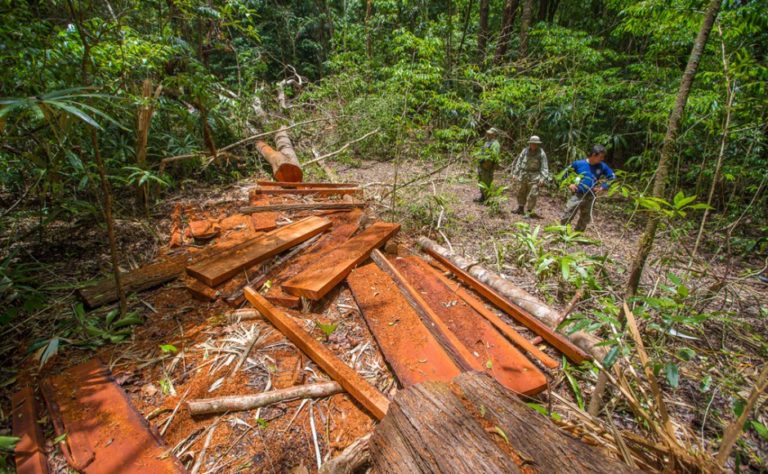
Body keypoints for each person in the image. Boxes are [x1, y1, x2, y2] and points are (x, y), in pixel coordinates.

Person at [560, 144, 615, 232]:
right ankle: (563, 231)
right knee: (568, 212)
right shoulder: (578, 164)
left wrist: (603, 187)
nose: (602, 159)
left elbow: (612, 177)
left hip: (591, 195)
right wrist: (569, 184)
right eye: (601, 157)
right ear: (594, 155)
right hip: (577, 193)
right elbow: (564, 174)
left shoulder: (602, 166)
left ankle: (578, 233)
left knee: (585, 217)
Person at [510, 135, 548, 216]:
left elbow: (544, 166)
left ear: (538, 144)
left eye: (535, 143)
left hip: (535, 176)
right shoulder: (525, 151)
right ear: (530, 143)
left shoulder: (541, 153)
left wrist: (543, 178)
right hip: (523, 174)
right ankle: (520, 208)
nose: (533, 145)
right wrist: (515, 173)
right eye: (532, 143)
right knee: (521, 192)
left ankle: (529, 212)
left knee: (533, 194)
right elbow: (519, 162)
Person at [474, 128, 502, 202]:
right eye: (488, 133)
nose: (488, 135)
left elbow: (494, 155)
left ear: (494, 135)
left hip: (488, 166)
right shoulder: (487, 142)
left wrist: (487, 162)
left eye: (490, 134)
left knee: (487, 182)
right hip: (482, 165)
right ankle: (483, 197)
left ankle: (488, 199)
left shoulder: (495, 144)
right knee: (481, 181)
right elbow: (482, 152)